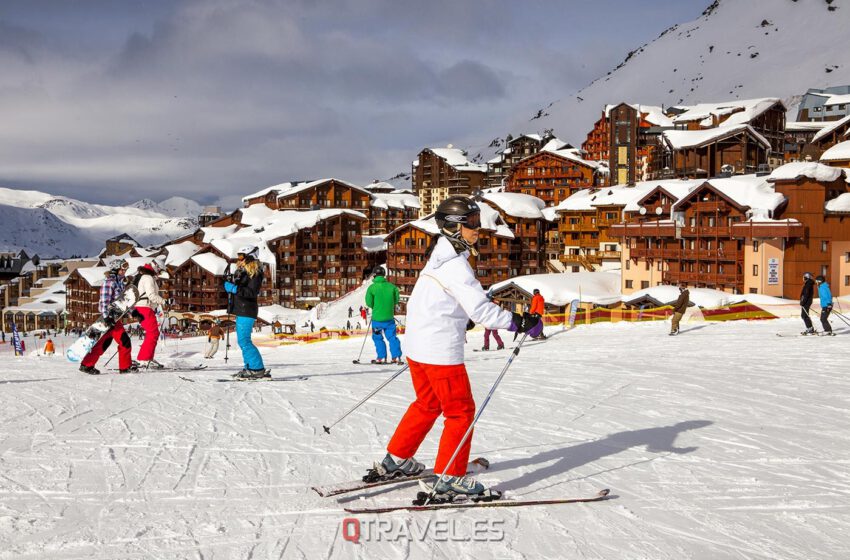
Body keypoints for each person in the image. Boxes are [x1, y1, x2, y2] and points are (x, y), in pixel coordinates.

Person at [369, 195, 543, 500]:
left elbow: (433, 302)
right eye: (472, 224)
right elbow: (482, 311)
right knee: (461, 412)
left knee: (428, 404)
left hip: (419, 347)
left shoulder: (438, 259)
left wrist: (459, 320)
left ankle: (396, 458)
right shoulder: (456, 268)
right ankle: (450, 476)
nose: (478, 230)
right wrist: (520, 322)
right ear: (453, 227)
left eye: (478, 223)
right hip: (439, 353)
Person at [79, 259, 136, 374]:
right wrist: (107, 317)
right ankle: (125, 367)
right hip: (110, 317)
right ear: (115, 269)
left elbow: (122, 302)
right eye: (122, 269)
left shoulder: (119, 282)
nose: (124, 271)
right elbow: (105, 301)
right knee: (125, 341)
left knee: (103, 343)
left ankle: (87, 364)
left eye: (125, 269)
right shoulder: (109, 282)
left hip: (115, 317)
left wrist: (133, 313)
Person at [223, 245, 268, 379]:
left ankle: (257, 368)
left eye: (241, 256)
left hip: (247, 309)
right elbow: (241, 287)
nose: (239, 259)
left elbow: (251, 292)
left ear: (249, 257)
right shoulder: (244, 272)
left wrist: (234, 288)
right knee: (243, 341)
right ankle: (250, 367)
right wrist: (231, 281)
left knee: (244, 341)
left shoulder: (256, 273)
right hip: (241, 309)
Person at [365, 265, 403, 364]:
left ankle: (381, 357)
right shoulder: (392, 287)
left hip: (377, 319)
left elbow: (369, 303)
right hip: (389, 318)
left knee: (378, 338)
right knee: (392, 337)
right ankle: (396, 357)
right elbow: (396, 300)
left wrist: (376, 306)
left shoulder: (372, 288)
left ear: (375, 275)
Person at [133, 261, 167, 369]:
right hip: (144, 307)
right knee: (153, 333)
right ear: (155, 267)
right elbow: (151, 295)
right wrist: (163, 301)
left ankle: (147, 357)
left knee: (152, 333)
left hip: (145, 307)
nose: (159, 273)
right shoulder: (147, 277)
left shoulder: (146, 276)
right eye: (159, 270)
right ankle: (144, 359)